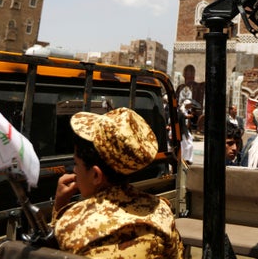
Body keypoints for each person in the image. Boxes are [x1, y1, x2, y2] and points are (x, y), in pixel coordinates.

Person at [51, 107, 183, 258]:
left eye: (76, 164)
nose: (74, 171)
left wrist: (59, 207)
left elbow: (50, 252)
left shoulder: (70, 225)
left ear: (96, 175)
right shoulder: (161, 212)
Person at [179, 99, 195, 165]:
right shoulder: (181, 111)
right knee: (185, 145)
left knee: (190, 145)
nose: (190, 106)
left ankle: (188, 159)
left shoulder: (187, 111)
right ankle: (184, 159)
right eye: (190, 105)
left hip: (186, 130)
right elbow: (181, 117)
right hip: (183, 130)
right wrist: (187, 116)